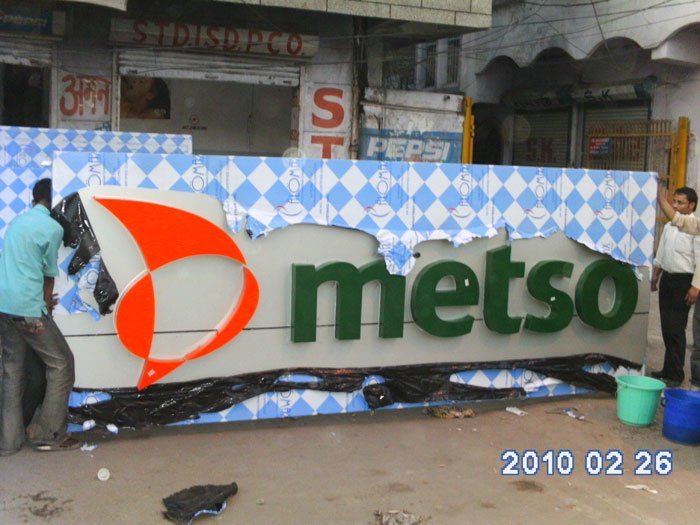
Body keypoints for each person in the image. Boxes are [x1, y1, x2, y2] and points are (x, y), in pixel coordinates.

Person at [0, 178, 79, 455]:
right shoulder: (52, 227)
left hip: (4, 306)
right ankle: (49, 434)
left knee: (12, 372)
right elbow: (48, 276)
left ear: (34, 199)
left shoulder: (17, 223)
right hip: (28, 309)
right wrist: (46, 308)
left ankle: (8, 442)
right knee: (62, 363)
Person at [651, 187, 700, 387]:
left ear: (692, 205)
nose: (676, 206)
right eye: (674, 201)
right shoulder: (670, 227)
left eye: (681, 202)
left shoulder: (694, 228)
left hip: (684, 282)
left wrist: (695, 286)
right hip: (668, 280)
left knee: (676, 330)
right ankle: (667, 369)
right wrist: (656, 274)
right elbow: (662, 252)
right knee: (666, 328)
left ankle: (676, 375)